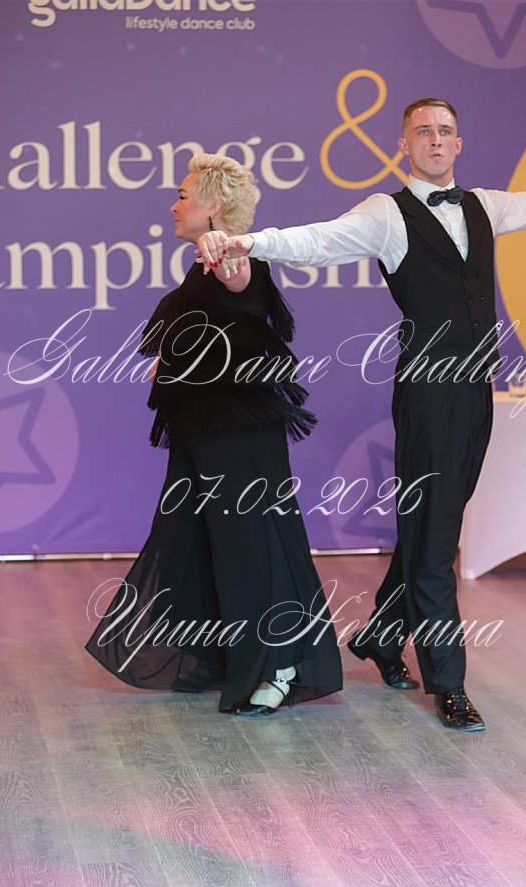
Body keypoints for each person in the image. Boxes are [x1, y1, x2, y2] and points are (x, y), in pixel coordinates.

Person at [196, 99, 526, 731]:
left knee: (432, 522)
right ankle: (448, 683)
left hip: (476, 388)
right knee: (438, 539)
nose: (435, 139)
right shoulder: (386, 214)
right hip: (427, 391)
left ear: (459, 143)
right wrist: (247, 241)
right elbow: (318, 241)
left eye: (445, 131)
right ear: (405, 145)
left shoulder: (485, 206)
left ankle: (380, 634)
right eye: (423, 131)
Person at [86, 153, 343, 716]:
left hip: (238, 435)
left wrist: (224, 246)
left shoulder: (235, 260)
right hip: (201, 430)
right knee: (197, 540)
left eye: (183, 196)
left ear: (214, 207)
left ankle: (277, 664)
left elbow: (237, 275)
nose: (173, 205)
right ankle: (220, 654)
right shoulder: (198, 270)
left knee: (252, 544)